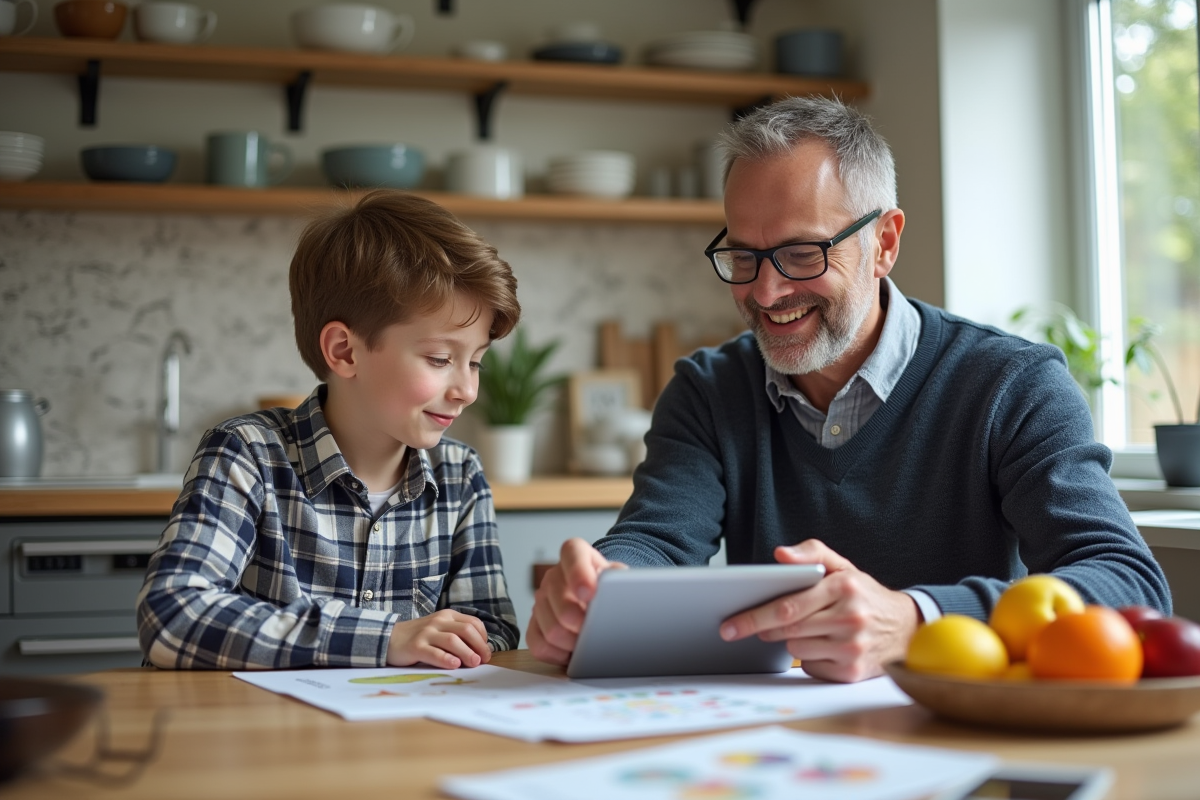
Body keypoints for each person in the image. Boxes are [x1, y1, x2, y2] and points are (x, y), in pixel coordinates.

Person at [528, 96, 1171, 682]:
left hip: (960, 733)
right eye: (744, 256)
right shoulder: (708, 390)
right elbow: (659, 539)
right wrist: (601, 586)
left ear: (884, 242)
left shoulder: (1013, 383)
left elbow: (1129, 582)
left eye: (803, 253)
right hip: (776, 749)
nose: (765, 291)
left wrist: (916, 618)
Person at [137, 190, 522, 670]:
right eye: (441, 359)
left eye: (477, 362)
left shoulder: (459, 474)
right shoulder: (247, 453)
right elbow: (173, 614)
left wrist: (462, 643)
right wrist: (385, 639)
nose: (467, 389)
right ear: (344, 351)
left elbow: (494, 630)